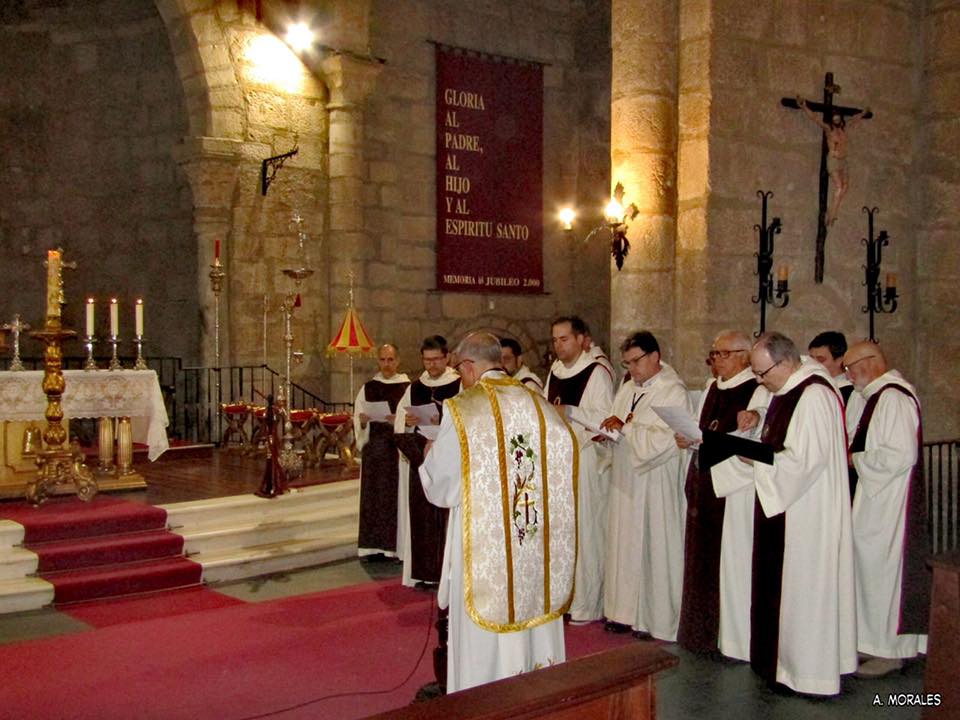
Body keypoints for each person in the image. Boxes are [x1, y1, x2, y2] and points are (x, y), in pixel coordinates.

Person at [419, 331, 578, 692]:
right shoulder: (538, 405)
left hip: (484, 546)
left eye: (460, 370)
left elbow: (443, 486)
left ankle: (487, 702)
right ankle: (539, 701)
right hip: (534, 539)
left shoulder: (463, 409)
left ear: (471, 367)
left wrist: (429, 457)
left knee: (487, 635)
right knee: (533, 616)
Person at [742, 332, 856, 695]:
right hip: (790, 507)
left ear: (785, 361)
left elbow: (805, 462)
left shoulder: (814, 395)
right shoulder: (789, 391)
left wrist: (756, 458)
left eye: (762, 373)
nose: (760, 381)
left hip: (808, 512)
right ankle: (782, 664)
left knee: (804, 590)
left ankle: (808, 673)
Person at [676, 330, 768, 656]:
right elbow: (703, 429)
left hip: (733, 490)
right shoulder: (712, 387)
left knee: (732, 565)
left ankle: (733, 640)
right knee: (700, 561)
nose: (716, 360)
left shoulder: (758, 391)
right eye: (714, 354)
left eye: (722, 354)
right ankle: (701, 633)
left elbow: (754, 441)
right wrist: (688, 439)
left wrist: (708, 442)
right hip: (705, 480)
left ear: (744, 355)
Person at [842, 341, 929, 677]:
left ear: (871, 362)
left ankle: (890, 650)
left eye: (851, 367)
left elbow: (899, 455)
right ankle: (872, 641)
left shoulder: (892, 397)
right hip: (876, 497)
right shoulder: (877, 397)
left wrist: (855, 459)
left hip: (889, 504)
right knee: (870, 571)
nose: (848, 375)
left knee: (883, 573)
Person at [601, 331, 691, 641]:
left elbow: (665, 439)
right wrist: (607, 433)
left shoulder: (673, 391)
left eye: (636, 362)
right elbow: (617, 421)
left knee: (654, 546)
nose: (631, 370)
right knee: (624, 545)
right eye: (626, 363)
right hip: (627, 476)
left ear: (655, 356)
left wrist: (625, 428)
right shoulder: (627, 388)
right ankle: (622, 612)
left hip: (655, 480)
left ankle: (656, 620)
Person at [544, 315, 614, 624]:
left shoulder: (596, 373)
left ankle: (587, 603)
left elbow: (603, 417)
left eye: (565, 339)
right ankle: (564, 599)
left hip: (584, 459)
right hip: (558, 460)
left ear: (581, 339)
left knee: (585, 531)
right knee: (561, 532)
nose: (559, 346)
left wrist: (569, 412)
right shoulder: (555, 372)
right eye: (555, 340)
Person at [394, 335, 461, 587]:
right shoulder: (415, 387)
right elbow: (401, 421)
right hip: (422, 458)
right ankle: (423, 573)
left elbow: (465, 420)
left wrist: (442, 420)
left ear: (447, 358)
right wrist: (409, 423)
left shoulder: (458, 385)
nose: (431, 365)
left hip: (446, 461)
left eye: (436, 360)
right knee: (421, 517)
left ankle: (446, 574)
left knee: (443, 519)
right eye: (427, 360)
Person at [353, 343, 410, 558]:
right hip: (373, 453)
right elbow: (358, 418)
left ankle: (392, 548)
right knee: (373, 499)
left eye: (390, 360)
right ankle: (371, 546)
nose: (386, 364)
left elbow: (411, 417)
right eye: (382, 360)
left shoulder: (406, 387)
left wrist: (399, 420)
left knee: (392, 499)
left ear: (398, 361)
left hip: (395, 452)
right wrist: (364, 421)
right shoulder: (368, 387)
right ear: (378, 361)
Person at [797, 96, 870, 226]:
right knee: (839, 186)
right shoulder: (828, 129)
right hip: (834, 160)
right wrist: (804, 106)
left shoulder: (844, 128)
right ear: (832, 119)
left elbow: (854, 120)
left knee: (845, 187)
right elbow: (815, 118)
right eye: (834, 117)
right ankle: (831, 215)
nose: (836, 119)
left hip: (843, 160)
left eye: (838, 117)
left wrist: (863, 113)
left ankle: (833, 212)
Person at [808, 330, 855, 404]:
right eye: (811, 359)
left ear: (839, 360)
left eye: (821, 360)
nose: (813, 364)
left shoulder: (848, 392)